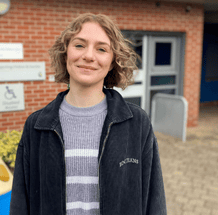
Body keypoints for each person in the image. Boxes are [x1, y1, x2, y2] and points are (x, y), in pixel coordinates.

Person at [10, 13, 167, 215]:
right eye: (79, 45)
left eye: (101, 49)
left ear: (112, 61)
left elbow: (155, 199)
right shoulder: (37, 125)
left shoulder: (137, 123)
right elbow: (20, 201)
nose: (89, 56)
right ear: (65, 53)